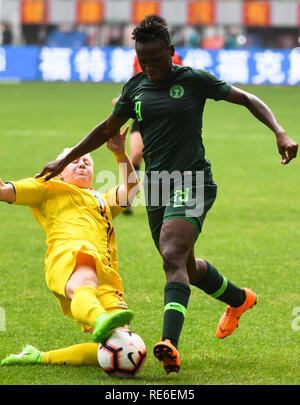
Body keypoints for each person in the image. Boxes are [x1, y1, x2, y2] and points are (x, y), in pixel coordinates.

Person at [34, 18, 298, 375]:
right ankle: (239, 299)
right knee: (184, 266)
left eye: (157, 61)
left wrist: (280, 131)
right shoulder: (136, 88)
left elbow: (247, 98)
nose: (151, 68)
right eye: (144, 62)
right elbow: (107, 128)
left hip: (192, 179)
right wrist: (64, 159)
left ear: (171, 53)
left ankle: (168, 343)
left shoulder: (193, 79)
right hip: (158, 187)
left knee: (171, 254)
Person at [0, 126, 140, 366]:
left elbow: (132, 189)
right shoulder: (47, 187)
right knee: (85, 280)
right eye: (74, 161)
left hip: (105, 273)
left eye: (86, 161)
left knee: (127, 349)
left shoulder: (102, 200)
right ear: (60, 171)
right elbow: (5, 192)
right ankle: (98, 318)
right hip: (69, 255)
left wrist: (119, 153)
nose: (82, 164)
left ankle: (39, 357)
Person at [113, 15, 183, 215]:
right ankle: (127, 199)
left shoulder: (175, 59)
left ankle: (170, 198)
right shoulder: (138, 57)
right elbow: (136, 80)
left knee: (160, 158)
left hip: (166, 116)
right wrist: (123, 97)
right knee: (135, 153)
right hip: (143, 111)